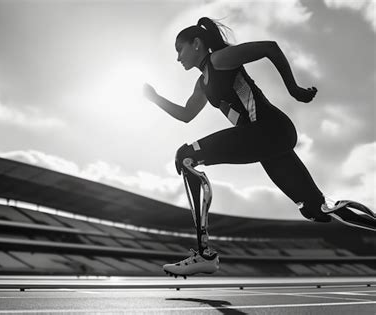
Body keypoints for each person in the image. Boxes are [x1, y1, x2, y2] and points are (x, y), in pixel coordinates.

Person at [143, 17, 376, 277]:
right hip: (265, 141)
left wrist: (294, 89)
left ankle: (204, 254)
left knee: (186, 156)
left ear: (196, 43)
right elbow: (186, 114)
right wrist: (155, 99)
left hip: (269, 130)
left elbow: (270, 47)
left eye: (179, 49)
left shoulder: (220, 59)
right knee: (317, 209)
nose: (178, 58)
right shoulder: (202, 84)